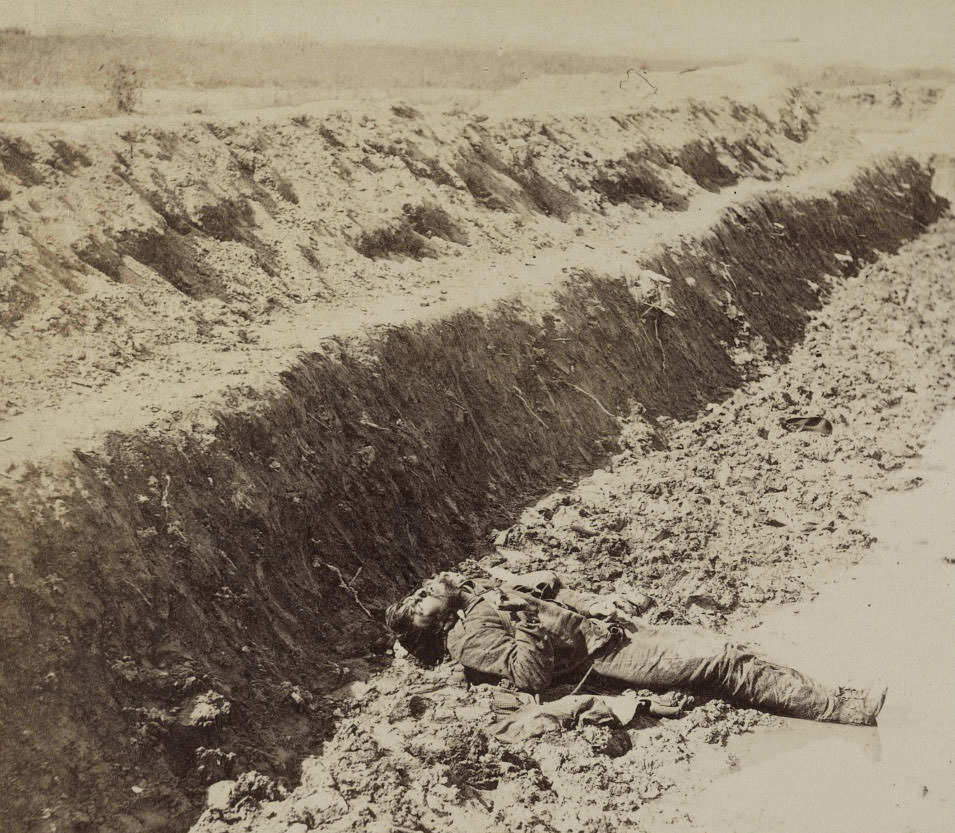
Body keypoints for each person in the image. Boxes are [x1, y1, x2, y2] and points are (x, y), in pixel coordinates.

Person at [385, 569, 887, 725]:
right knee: (724, 665)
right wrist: (527, 625)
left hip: (615, 631)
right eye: (419, 603)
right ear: (433, 626)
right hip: (604, 657)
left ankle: (834, 697)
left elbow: (553, 593)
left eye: (421, 591)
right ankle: (843, 709)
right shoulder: (466, 636)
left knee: (731, 649)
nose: (426, 590)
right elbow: (530, 675)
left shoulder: (478, 598)